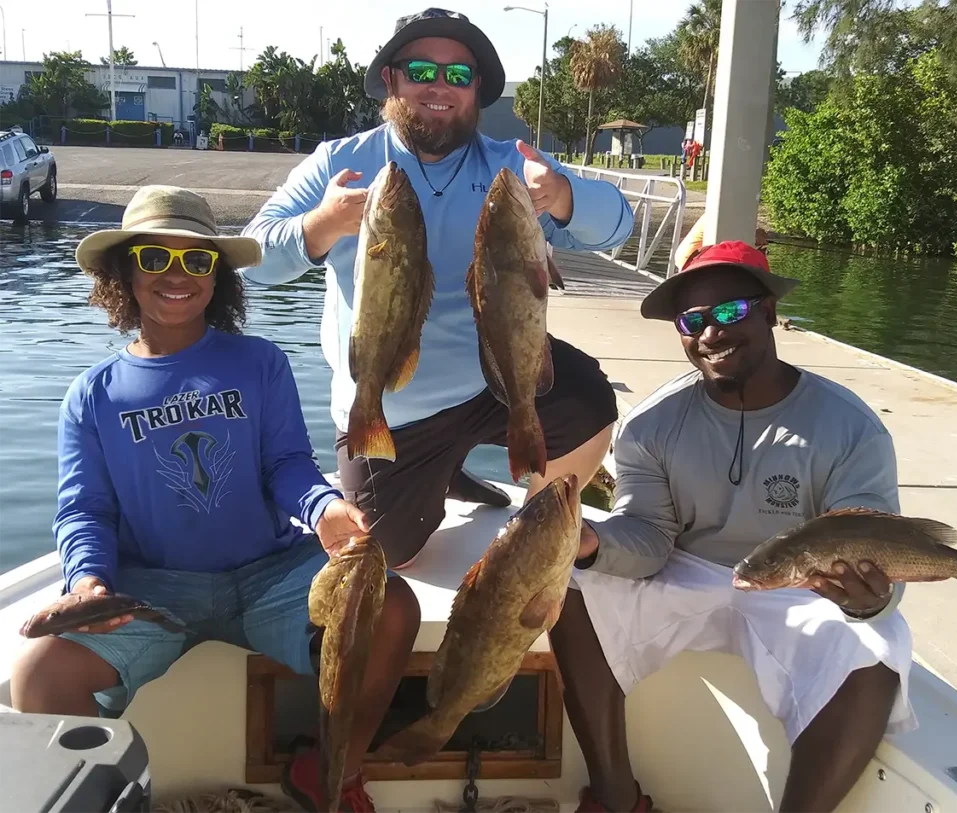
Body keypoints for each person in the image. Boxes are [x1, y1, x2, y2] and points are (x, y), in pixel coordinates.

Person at [239, 9, 633, 811]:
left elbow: (618, 224)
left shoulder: (508, 166)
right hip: (391, 412)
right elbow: (252, 258)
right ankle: (339, 753)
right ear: (391, 81)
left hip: (499, 385)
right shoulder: (343, 163)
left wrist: (561, 196)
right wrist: (321, 227)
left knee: (589, 396)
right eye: (422, 70)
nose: (439, 88)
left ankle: (537, 524)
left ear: (480, 92)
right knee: (378, 575)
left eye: (459, 76)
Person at [550, 240, 917, 813]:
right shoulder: (651, 424)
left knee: (876, 646)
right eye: (692, 320)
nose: (711, 333)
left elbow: (878, 547)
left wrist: (872, 600)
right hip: (685, 568)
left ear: (769, 312)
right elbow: (647, 536)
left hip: (800, 588)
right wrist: (593, 544)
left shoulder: (851, 429)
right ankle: (616, 798)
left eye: (730, 312)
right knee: (570, 585)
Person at [11, 186, 376, 732]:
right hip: (152, 589)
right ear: (125, 274)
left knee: (389, 608)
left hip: (271, 575)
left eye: (196, 259)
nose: (176, 275)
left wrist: (324, 507)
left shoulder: (260, 361)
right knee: (40, 674)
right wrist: (88, 582)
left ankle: (336, 773)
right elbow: (85, 510)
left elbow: (286, 464)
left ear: (217, 276)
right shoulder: (92, 395)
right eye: (154, 258)